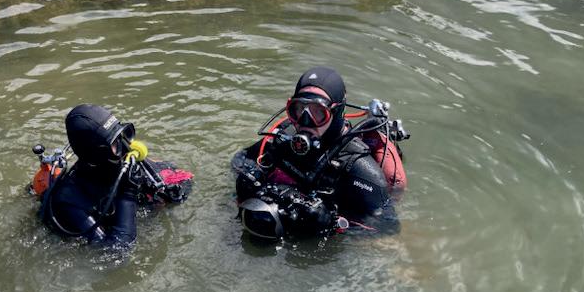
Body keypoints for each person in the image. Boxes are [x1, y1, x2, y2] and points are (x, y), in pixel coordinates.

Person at [232, 67, 408, 240]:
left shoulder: (358, 166)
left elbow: (388, 227)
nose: (305, 121)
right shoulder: (283, 138)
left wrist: (331, 223)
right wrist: (247, 178)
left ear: (336, 112)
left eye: (318, 112)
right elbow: (241, 159)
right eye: (298, 109)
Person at [32, 104, 192, 246]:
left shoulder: (122, 162)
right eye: (116, 143)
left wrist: (171, 195)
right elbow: (115, 253)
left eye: (125, 135)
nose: (126, 146)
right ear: (96, 154)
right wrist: (128, 195)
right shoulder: (69, 200)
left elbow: (185, 178)